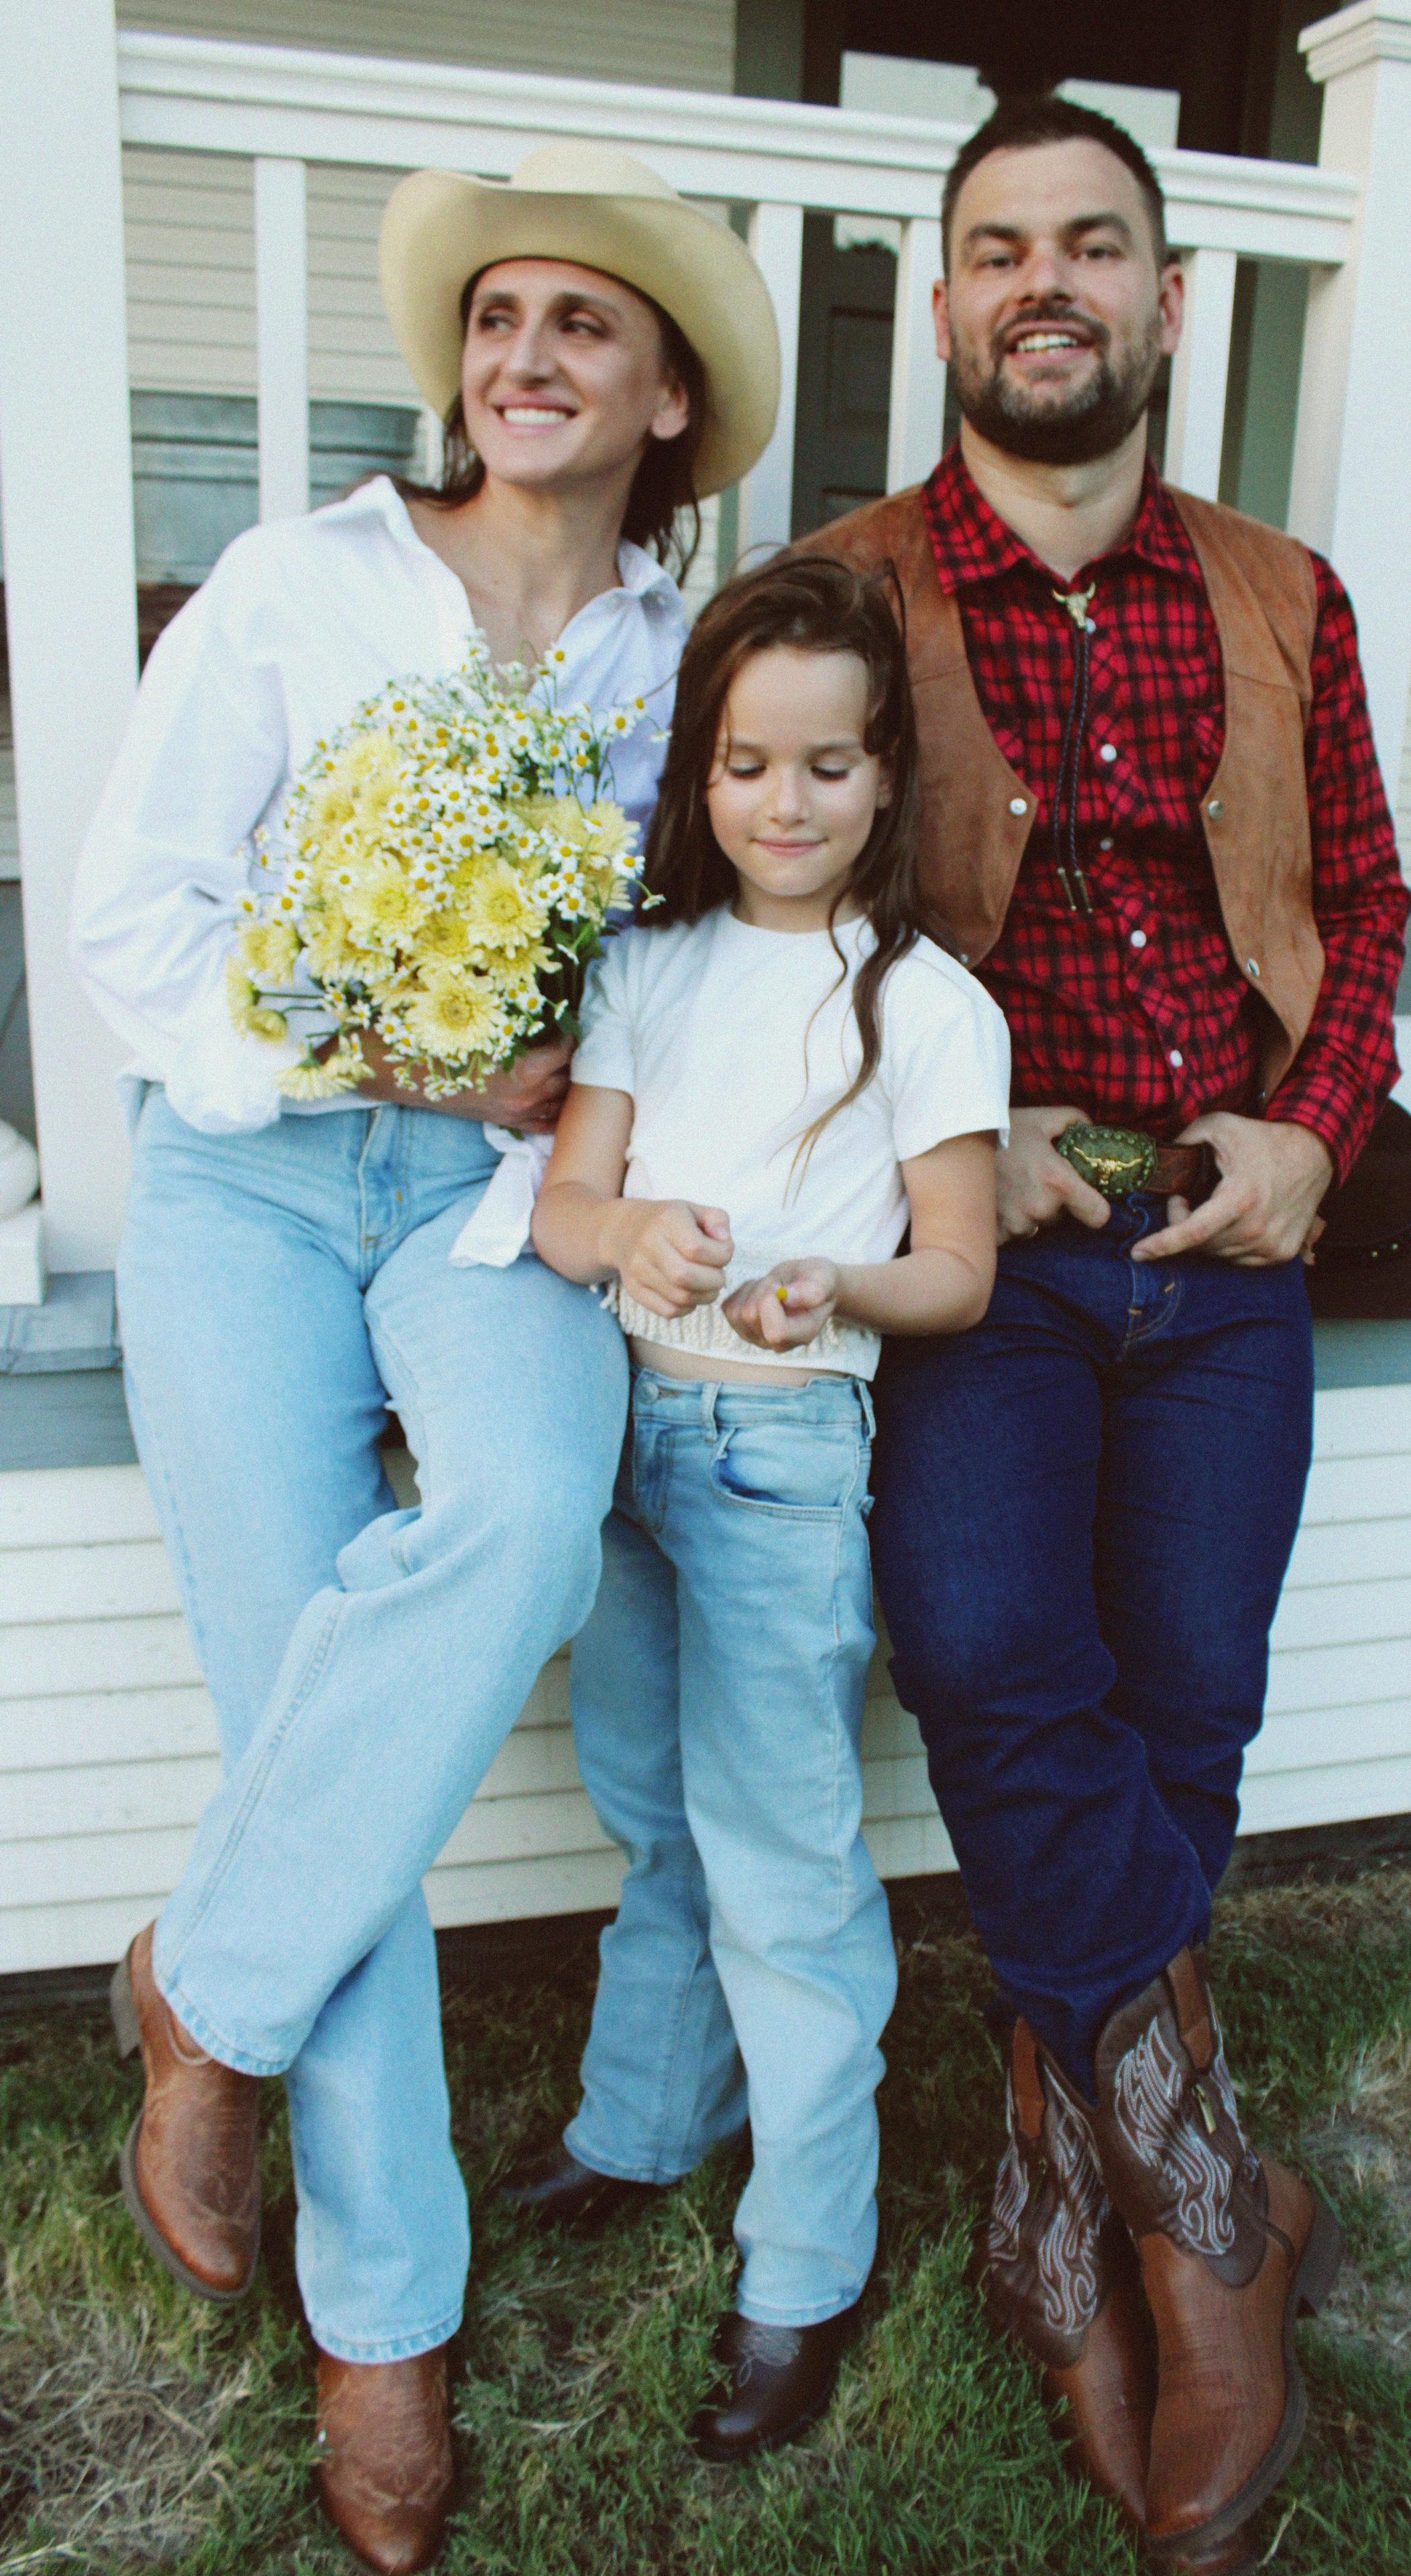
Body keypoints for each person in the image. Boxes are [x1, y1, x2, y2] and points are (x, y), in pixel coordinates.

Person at [72, 142, 777, 2576]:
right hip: (255, 1177)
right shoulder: (299, 586)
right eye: (499, 321)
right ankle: (386, 2331)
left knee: (515, 1522)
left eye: (588, 325)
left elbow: (712, 960)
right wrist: (342, 1048)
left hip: (501, 1212)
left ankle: (207, 1984)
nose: (529, 357)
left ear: (668, 390)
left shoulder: (689, 671)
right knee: (310, 1695)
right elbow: (135, 920)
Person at [809, 93, 1411, 2572]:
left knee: (1188, 1706)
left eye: (1093, 247)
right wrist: (960, 1133)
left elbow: (1366, 899)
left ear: (1171, 301)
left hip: (1228, 1234)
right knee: (973, 1640)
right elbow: (757, 914)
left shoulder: (1282, 590)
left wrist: (1313, 1141)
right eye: (995, 252)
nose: (1043, 284)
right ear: (942, 306)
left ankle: (1067, 2158)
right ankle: (1207, 2203)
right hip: (986, 1242)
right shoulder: (843, 587)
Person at [521, 554, 1009, 2458]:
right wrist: (629, 1227)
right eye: (745, 765)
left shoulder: (924, 1005)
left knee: (786, 1865)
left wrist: (837, 1279)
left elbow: (958, 1266)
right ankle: (644, 2128)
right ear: (699, 772)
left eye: (827, 766)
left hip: (777, 1462)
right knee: (656, 1817)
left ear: (888, 777)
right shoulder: (646, 968)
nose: (784, 806)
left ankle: (807, 2258)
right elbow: (570, 1213)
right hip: (622, 1443)